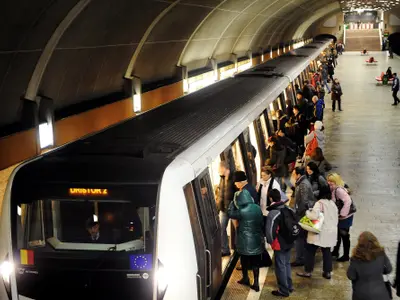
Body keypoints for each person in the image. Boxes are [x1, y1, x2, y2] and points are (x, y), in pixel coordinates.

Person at [296, 185, 338, 279]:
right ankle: (327, 272)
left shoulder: (319, 203)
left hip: (319, 232)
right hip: (330, 231)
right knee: (327, 252)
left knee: (310, 251)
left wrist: (308, 212)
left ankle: (308, 271)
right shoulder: (333, 203)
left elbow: (314, 216)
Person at [228, 189, 264, 292]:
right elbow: (261, 222)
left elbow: (230, 213)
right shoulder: (257, 208)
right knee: (255, 263)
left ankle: (245, 278)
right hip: (257, 240)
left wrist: (232, 202)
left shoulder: (241, 211)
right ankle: (256, 283)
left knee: (244, 261)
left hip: (245, 242)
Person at [265, 189, 295, 297]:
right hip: (289, 241)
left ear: (271, 198)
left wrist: (270, 242)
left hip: (280, 243)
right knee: (286, 264)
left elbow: (269, 231)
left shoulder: (274, 212)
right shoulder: (287, 209)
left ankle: (283, 290)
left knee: (280, 266)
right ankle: (289, 286)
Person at [347, 232, 393, 300]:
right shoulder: (381, 254)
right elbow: (389, 269)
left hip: (361, 294)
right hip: (381, 293)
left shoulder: (355, 258)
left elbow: (351, 276)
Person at [327, 173, 354, 262]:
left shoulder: (339, 190)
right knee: (338, 234)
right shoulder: (336, 188)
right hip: (341, 216)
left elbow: (348, 201)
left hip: (345, 217)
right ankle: (335, 251)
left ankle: (346, 255)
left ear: (336, 181)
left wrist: (343, 214)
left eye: (331, 181)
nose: (329, 182)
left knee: (344, 235)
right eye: (329, 180)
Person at [292, 167, 315, 267]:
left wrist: (298, 213)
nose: (292, 175)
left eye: (294, 173)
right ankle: (302, 257)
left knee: (300, 237)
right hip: (302, 213)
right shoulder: (301, 182)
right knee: (302, 237)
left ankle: (300, 258)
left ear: (298, 174)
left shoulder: (303, 184)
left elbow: (304, 201)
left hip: (302, 214)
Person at [217, 161, 238, 256]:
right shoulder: (222, 178)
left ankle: (239, 248)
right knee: (221, 228)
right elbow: (221, 192)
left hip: (233, 208)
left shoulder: (234, 177)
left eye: (219, 169)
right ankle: (225, 249)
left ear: (224, 168)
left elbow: (238, 192)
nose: (218, 171)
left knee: (238, 229)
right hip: (224, 209)